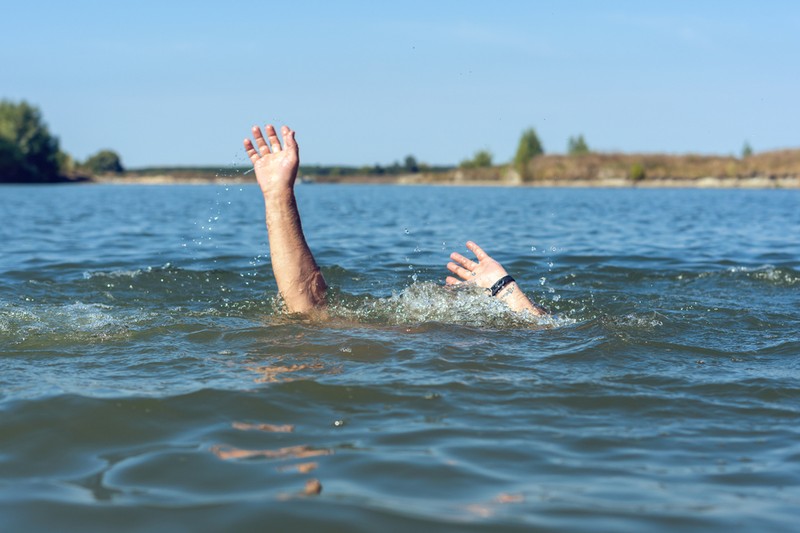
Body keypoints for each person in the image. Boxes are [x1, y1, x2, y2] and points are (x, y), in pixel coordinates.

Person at [244, 123, 548, 317]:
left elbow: (545, 335)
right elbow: (309, 308)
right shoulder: (393, 334)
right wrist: (278, 195)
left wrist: (505, 290)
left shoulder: (480, 341)